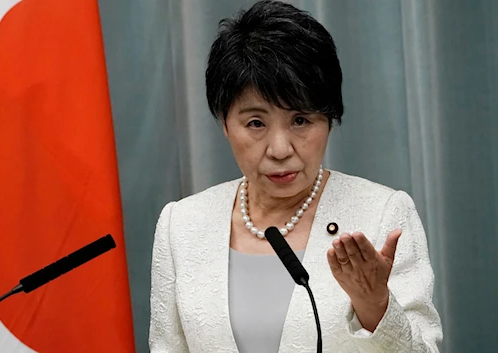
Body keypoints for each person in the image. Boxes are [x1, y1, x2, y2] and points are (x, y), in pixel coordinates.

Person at [148, 1, 443, 352]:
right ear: (225, 124)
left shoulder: (382, 213)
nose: (279, 148)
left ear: (329, 120)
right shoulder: (181, 226)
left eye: (300, 121)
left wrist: (374, 305)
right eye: (255, 123)